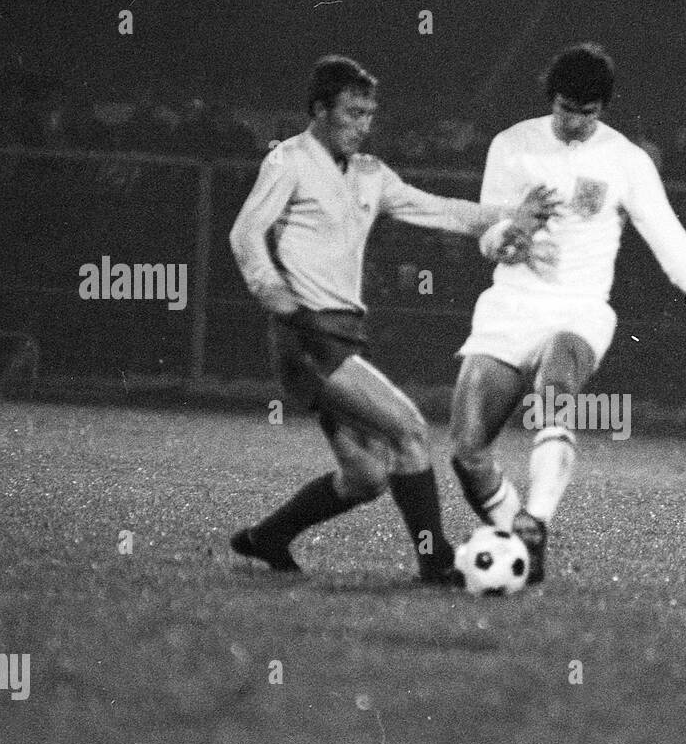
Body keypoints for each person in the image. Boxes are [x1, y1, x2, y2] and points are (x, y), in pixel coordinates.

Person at [227, 55, 558, 581]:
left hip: (341, 334)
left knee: (366, 476)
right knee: (409, 428)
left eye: (368, 114)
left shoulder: (370, 174)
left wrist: (510, 216)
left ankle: (265, 539)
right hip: (306, 338)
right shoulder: (288, 161)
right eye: (352, 113)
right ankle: (435, 561)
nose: (362, 124)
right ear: (318, 110)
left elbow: (443, 210)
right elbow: (245, 236)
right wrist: (281, 304)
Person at [448, 42, 686, 583]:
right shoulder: (512, 145)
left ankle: (536, 521)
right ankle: (516, 534)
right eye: (566, 109)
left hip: (579, 308)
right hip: (511, 305)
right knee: (467, 451)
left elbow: (666, 233)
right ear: (551, 99)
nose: (575, 123)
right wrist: (513, 232)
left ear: (603, 109)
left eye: (588, 113)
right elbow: (487, 234)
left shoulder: (625, 160)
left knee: (556, 388)